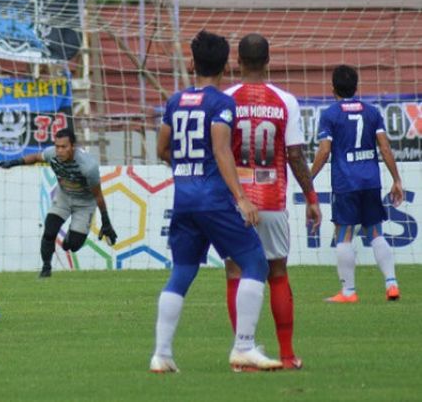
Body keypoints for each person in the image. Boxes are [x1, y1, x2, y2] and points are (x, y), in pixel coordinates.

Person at [150, 30, 282, 373]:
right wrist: (242, 198)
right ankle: (244, 347)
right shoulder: (222, 103)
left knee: (182, 271)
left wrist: (186, 168)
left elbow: (162, 149)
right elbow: (222, 150)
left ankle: (161, 355)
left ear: (192, 64)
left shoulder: (175, 101)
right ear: (226, 65)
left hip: (184, 199)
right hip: (213, 199)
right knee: (255, 263)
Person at [222, 33, 322, 370]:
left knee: (235, 272)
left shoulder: (227, 100)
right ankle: (288, 353)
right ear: (268, 62)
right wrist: (311, 197)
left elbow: (219, 152)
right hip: (273, 199)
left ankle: (243, 354)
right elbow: (295, 155)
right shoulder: (285, 101)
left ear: (237, 62)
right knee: (277, 272)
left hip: (237, 201)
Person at [310, 65, 404, 303]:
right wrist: (396, 179)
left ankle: (348, 292)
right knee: (375, 232)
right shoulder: (372, 112)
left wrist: (307, 178)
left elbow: (324, 151)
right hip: (371, 181)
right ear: (356, 86)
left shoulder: (330, 114)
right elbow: (384, 147)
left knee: (344, 235)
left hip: (346, 182)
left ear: (333, 89)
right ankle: (391, 283)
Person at [0, 129, 117, 277]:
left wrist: (106, 221)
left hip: (85, 204)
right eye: (57, 146)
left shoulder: (88, 167)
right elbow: (35, 157)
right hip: (63, 197)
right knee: (49, 231)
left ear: (73, 146)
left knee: (73, 246)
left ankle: (69, 239)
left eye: (64, 147)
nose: (59, 151)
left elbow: (98, 195)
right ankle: (46, 269)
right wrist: (14, 162)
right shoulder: (51, 153)